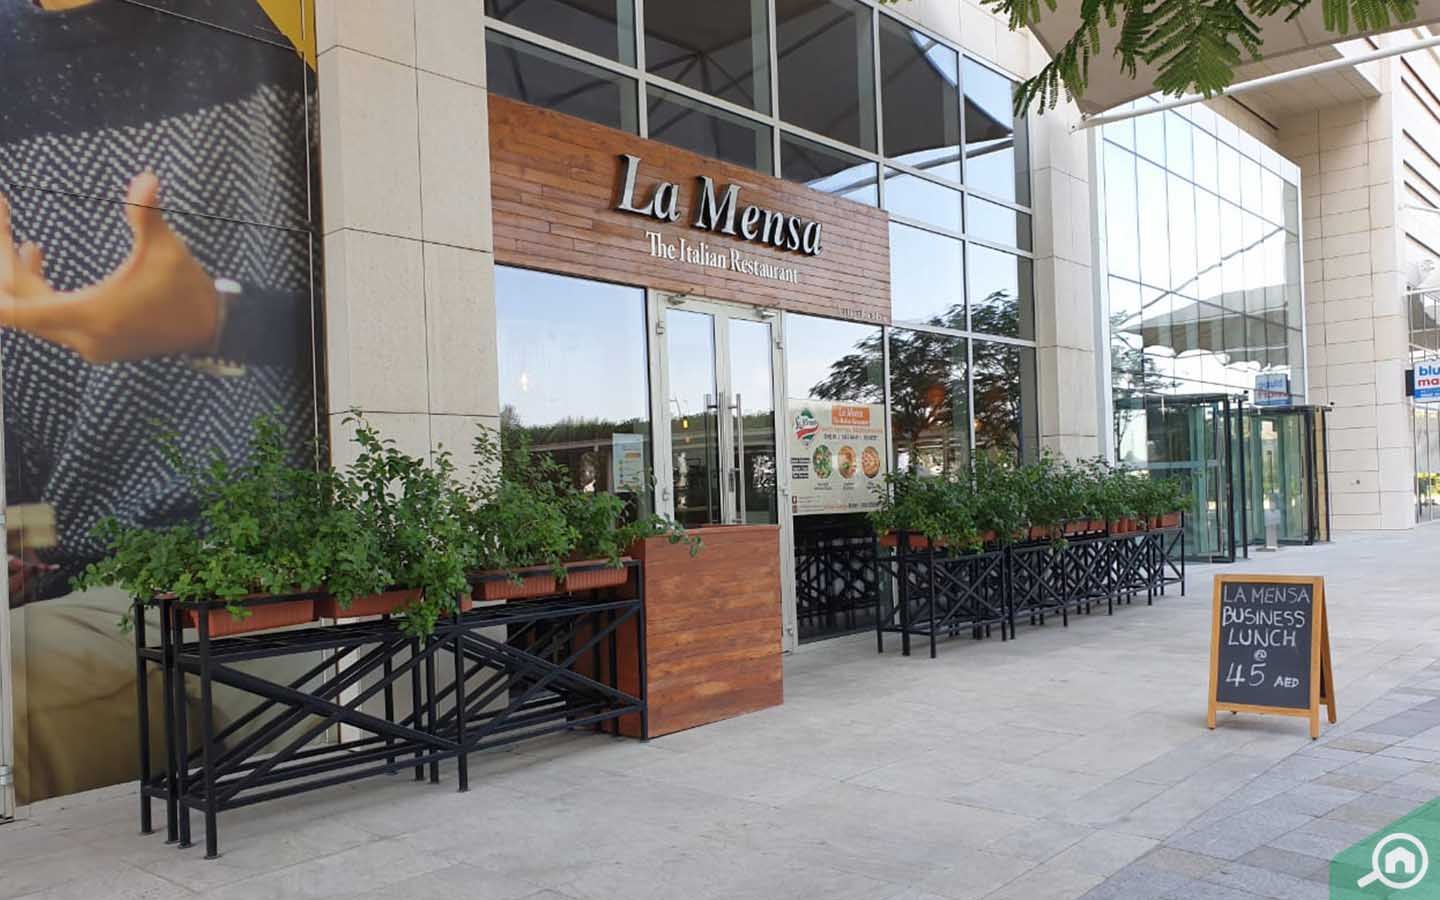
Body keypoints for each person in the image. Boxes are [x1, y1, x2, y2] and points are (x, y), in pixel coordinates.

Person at [0, 0, 318, 803]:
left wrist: (223, 319)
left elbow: (415, 308)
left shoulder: (285, 29)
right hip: (57, 578)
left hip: (243, 577)